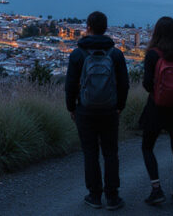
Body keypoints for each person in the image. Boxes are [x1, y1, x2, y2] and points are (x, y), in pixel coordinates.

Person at [65, 11, 130, 211]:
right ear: (106, 28)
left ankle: (94, 195)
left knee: (90, 153)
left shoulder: (78, 54)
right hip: (110, 110)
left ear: (88, 27)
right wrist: (120, 106)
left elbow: (70, 85)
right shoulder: (116, 54)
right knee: (111, 152)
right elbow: (124, 84)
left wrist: (72, 108)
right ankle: (112, 197)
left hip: (85, 110)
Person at [139, 16, 173, 208]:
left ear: (156, 33)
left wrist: (158, 92)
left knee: (147, 147)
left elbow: (146, 83)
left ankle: (156, 189)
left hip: (156, 107)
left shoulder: (153, 55)